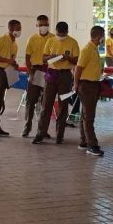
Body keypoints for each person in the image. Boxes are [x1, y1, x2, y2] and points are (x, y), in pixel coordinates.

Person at [33, 21, 79, 145]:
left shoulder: (73, 42)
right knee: (46, 104)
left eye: (63, 35)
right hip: (51, 75)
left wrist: (67, 58)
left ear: (67, 32)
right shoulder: (50, 41)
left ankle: (60, 135)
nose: (61, 37)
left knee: (63, 105)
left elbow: (76, 60)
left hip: (65, 76)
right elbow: (44, 59)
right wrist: (51, 57)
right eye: (59, 34)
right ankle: (41, 133)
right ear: (56, 31)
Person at [75, 26, 105, 157]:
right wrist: (76, 84)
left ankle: (84, 141)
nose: (104, 38)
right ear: (98, 36)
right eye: (103, 35)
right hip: (87, 86)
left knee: (85, 115)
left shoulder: (94, 49)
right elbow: (78, 68)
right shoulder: (87, 49)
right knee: (89, 116)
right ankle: (92, 145)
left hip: (93, 85)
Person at [22, 15, 52, 137]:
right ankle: (27, 127)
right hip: (36, 71)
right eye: (41, 25)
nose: (43, 27)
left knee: (46, 102)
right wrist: (30, 73)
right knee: (31, 100)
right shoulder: (32, 39)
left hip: (49, 72)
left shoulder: (53, 39)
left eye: (45, 24)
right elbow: (27, 57)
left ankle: (43, 130)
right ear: (37, 25)